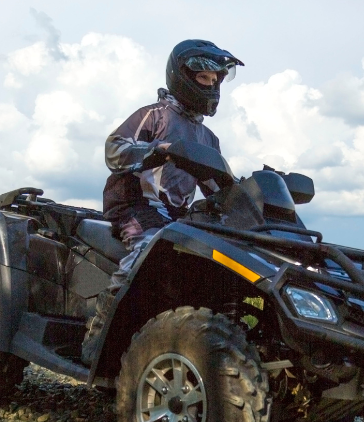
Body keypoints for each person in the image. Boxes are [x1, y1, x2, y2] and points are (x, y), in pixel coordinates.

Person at [81, 39, 243, 365]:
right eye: (203, 79)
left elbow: (218, 187)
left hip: (175, 218)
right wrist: (155, 150)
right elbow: (114, 149)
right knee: (145, 249)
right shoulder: (154, 116)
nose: (211, 86)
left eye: (216, 80)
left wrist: (249, 193)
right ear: (182, 76)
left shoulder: (208, 138)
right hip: (132, 204)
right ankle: (98, 334)